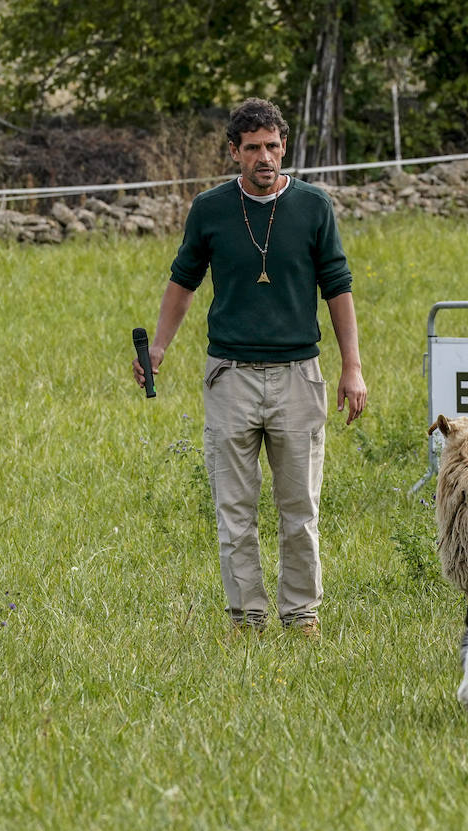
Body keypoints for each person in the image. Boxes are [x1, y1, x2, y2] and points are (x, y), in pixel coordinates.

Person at [132, 97, 367, 637]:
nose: (266, 157)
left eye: (273, 146)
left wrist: (352, 367)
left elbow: (338, 287)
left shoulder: (313, 206)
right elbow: (183, 281)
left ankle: (302, 613)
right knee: (234, 509)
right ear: (234, 152)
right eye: (254, 148)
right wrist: (161, 348)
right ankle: (247, 616)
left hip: (298, 376)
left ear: (284, 146)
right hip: (230, 375)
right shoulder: (211, 209)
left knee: (299, 509)